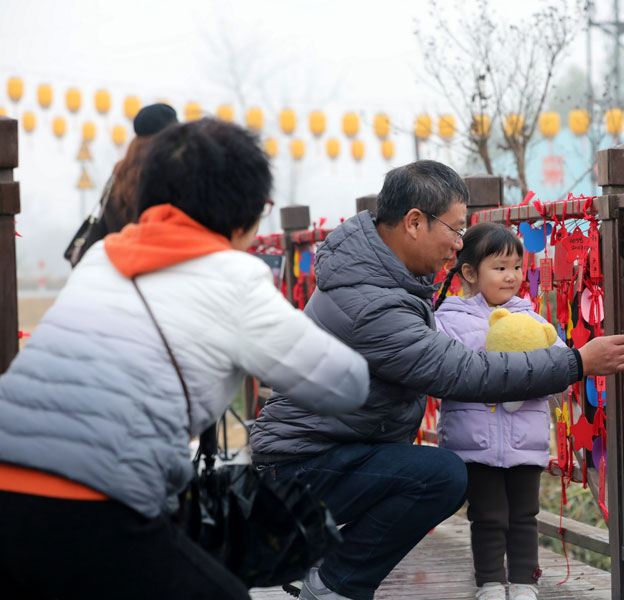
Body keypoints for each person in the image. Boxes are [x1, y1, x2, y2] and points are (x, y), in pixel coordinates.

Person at [0, 118, 369, 600]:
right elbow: (346, 385)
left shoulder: (103, 257)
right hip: (96, 503)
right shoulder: (236, 279)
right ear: (245, 215)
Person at [250, 160, 624, 600]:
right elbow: (460, 372)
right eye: (456, 229)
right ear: (415, 222)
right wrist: (577, 363)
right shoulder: (371, 302)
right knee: (440, 476)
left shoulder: (379, 276)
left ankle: (329, 567)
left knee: (436, 474)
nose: (460, 244)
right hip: (299, 469)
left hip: (322, 454)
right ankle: (334, 583)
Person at [433, 222, 559, 600]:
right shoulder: (448, 320)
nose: (512, 277)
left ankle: (524, 582)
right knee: (487, 516)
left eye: (517, 267)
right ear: (470, 273)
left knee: (524, 515)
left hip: (526, 440)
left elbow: (561, 368)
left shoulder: (534, 320)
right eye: (500, 267)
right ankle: (489, 581)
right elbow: (443, 371)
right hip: (474, 441)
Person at [66, 102, 178, 266]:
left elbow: (105, 224)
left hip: (120, 265)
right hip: (164, 265)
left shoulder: (119, 174)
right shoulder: (175, 174)